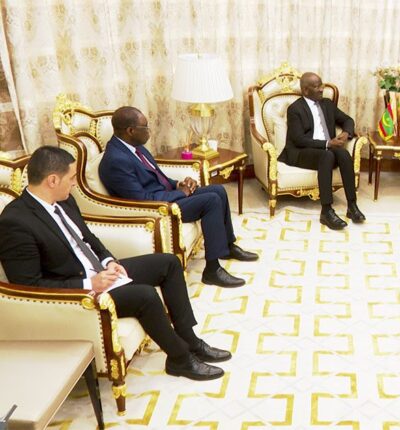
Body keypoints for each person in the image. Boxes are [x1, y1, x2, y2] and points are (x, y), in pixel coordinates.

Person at [0, 146, 231, 380]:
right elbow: (28, 286)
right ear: (52, 180)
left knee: (169, 264)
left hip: (100, 271)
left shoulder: (64, 201)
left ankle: (191, 341)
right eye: (71, 178)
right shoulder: (15, 222)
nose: (74, 183)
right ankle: (180, 359)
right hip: (78, 293)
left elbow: (88, 238)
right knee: (145, 295)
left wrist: (109, 260)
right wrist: (89, 284)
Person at [99, 107, 256, 288]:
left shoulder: (134, 147)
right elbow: (141, 199)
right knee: (211, 201)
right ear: (131, 130)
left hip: (165, 196)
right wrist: (181, 193)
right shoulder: (116, 160)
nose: (149, 131)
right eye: (146, 127)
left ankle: (227, 247)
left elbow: (156, 177)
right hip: (156, 210)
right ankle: (212, 271)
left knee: (218, 190)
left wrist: (178, 184)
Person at [281, 72, 365, 230]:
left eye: (321, 85)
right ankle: (326, 211)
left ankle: (352, 206)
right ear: (305, 90)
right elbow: (298, 139)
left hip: (326, 149)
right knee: (327, 155)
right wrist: (328, 143)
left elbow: (348, 120)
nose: (321, 89)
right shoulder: (295, 109)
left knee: (344, 154)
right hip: (301, 152)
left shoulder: (327, 104)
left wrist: (346, 133)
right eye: (316, 86)